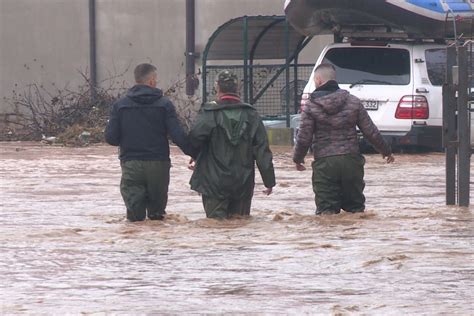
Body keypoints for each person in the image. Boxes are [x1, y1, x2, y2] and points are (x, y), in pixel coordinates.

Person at [293, 63, 395, 215]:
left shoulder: (311, 106)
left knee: (326, 214)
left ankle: (329, 239)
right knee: (356, 211)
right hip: (351, 161)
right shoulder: (353, 101)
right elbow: (370, 131)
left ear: (319, 80)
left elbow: (304, 138)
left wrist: (298, 158)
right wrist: (386, 151)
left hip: (325, 164)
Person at [105, 63, 197, 222]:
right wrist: (196, 153)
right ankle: (156, 245)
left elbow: (111, 138)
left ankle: (135, 244)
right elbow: (177, 136)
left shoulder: (120, 106)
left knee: (134, 219)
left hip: (131, 164)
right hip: (158, 165)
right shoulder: (164, 104)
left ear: (136, 80)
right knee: (157, 217)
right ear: (152, 81)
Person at [188, 70, 276, 219]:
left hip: (213, 184)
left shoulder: (209, 112)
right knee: (240, 228)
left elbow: (194, 140)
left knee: (216, 229)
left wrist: (195, 156)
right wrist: (269, 181)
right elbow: (262, 150)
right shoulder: (251, 114)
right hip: (243, 183)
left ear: (217, 87)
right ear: (238, 88)